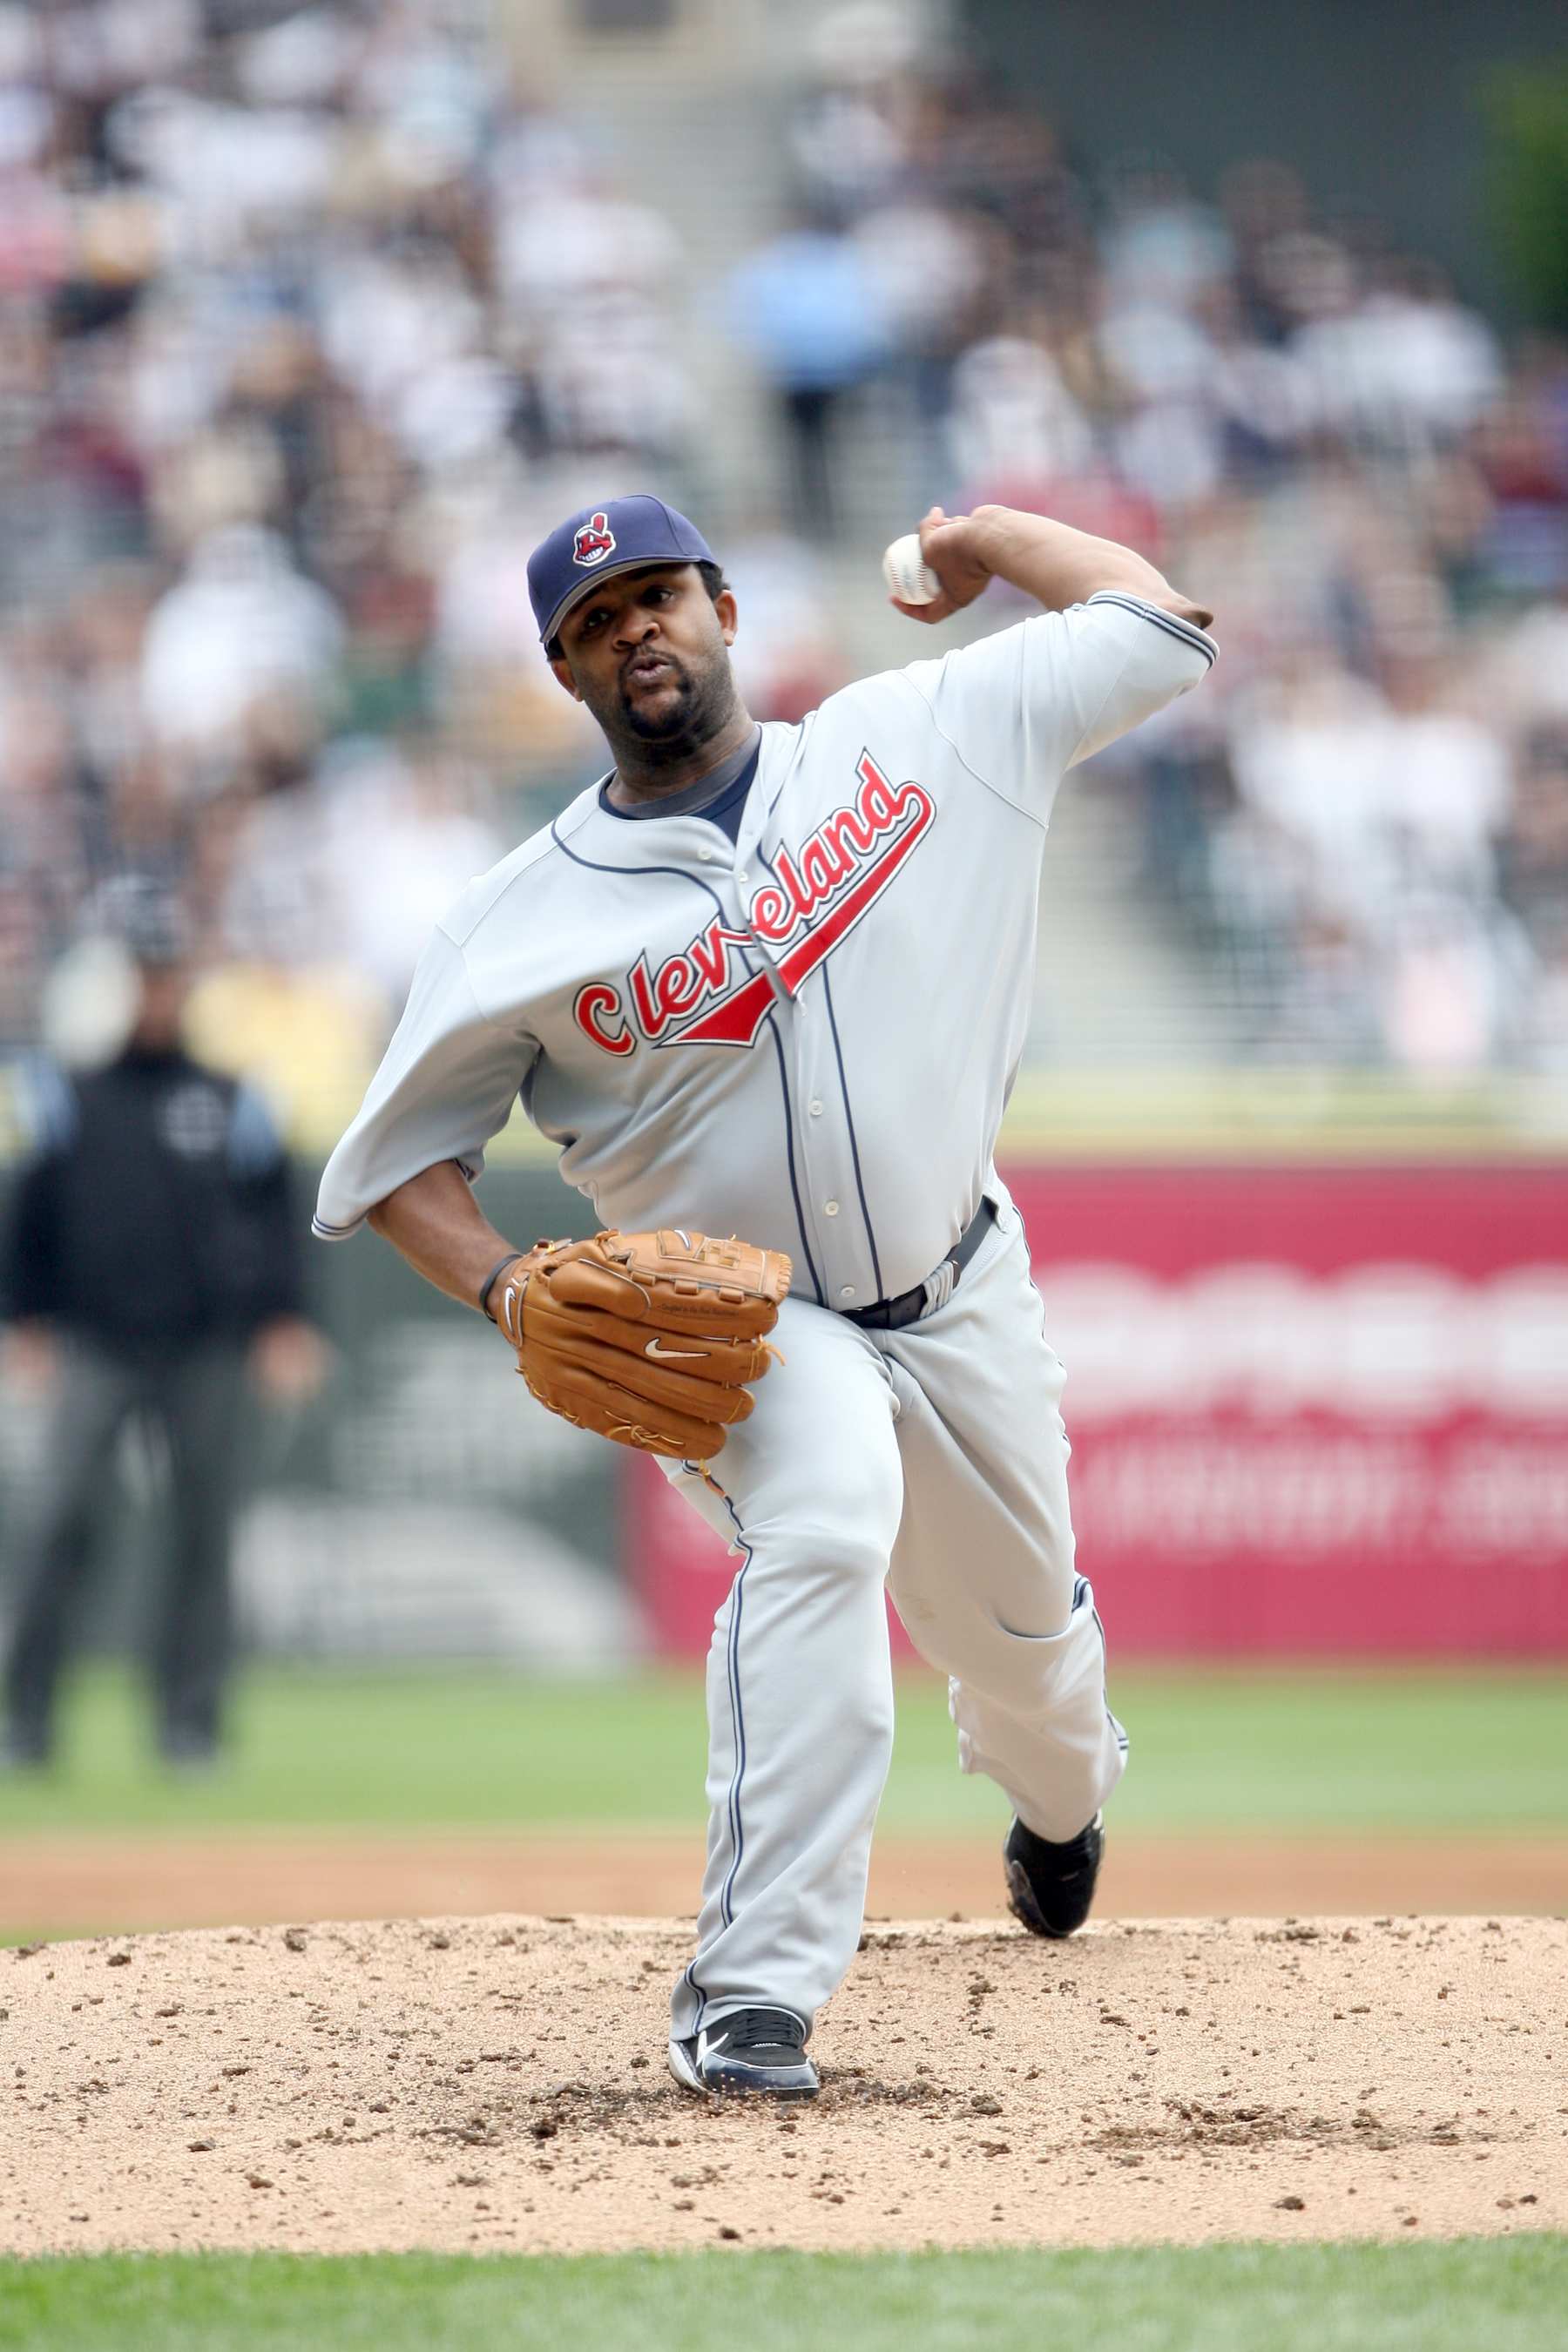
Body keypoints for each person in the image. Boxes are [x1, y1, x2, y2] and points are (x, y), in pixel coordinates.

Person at [314, 491, 1216, 2097]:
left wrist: (987, 536)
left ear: (722, 606)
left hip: (960, 1289)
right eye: (596, 624)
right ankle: (754, 1998)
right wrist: (512, 1287)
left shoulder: (922, 731)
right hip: (746, 1333)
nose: (635, 629)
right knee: (825, 1512)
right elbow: (389, 1165)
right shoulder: (520, 916)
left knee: (1027, 1667)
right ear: (568, 675)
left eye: (657, 594)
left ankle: (1060, 1812)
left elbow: (1157, 624)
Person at [1, 896, 327, 1768]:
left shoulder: (234, 1099)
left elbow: (276, 1219)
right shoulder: (67, 1095)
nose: (156, 993)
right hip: (94, 1342)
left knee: (203, 1534)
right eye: (143, 975)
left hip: (207, 1344)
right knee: (61, 1522)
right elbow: (28, 1217)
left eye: (168, 975)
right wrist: (24, 1322)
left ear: (186, 987)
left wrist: (285, 1321)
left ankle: (189, 1726)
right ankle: (26, 1722)